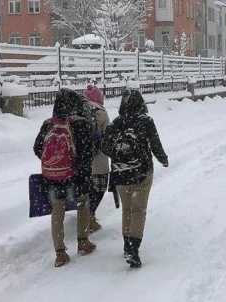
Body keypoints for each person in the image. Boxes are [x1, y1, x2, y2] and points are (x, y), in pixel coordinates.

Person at [101, 89, 169, 268]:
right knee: (138, 210)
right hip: (142, 172)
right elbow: (155, 143)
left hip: (120, 173)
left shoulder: (116, 123)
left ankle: (126, 244)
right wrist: (163, 159)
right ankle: (133, 249)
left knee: (127, 209)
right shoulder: (146, 121)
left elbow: (105, 146)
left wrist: (120, 155)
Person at [33, 88, 96, 267]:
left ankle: (60, 253)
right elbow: (86, 153)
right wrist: (78, 170)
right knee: (83, 204)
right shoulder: (80, 123)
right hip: (75, 175)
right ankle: (83, 242)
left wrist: (54, 161)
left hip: (52, 177)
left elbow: (37, 148)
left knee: (57, 211)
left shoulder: (48, 124)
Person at [83, 84, 111, 233]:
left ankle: (85, 216)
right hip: (99, 160)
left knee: (86, 190)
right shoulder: (101, 112)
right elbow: (109, 135)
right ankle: (90, 216)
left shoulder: (78, 110)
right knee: (98, 189)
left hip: (82, 160)